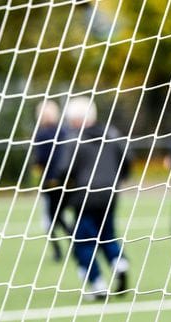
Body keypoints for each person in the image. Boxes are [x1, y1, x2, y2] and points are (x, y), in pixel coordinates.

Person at [57, 96, 131, 300]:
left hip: (84, 196)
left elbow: (65, 169)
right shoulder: (111, 134)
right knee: (107, 233)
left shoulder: (74, 139)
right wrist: (117, 180)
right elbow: (126, 161)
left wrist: (64, 189)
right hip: (110, 193)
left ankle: (98, 284)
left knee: (83, 241)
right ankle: (119, 262)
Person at [33, 100, 71, 262]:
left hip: (51, 181)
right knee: (59, 216)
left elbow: (39, 160)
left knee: (51, 218)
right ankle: (73, 243)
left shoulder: (41, 134)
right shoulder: (65, 131)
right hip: (67, 180)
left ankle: (59, 250)